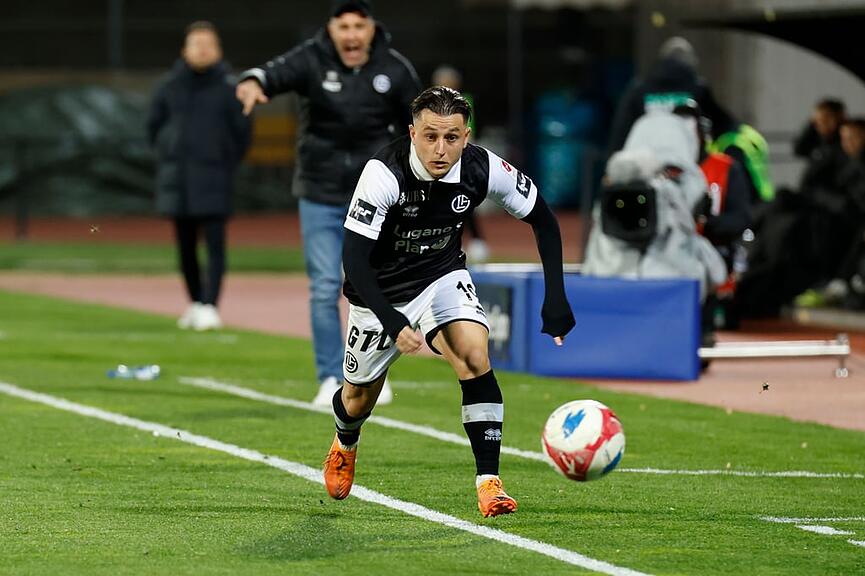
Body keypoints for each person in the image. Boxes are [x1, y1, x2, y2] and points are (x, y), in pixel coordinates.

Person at [322, 87, 575, 517]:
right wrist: (392, 320)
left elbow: (544, 220)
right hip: (379, 291)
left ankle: (489, 482)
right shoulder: (384, 173)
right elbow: (354, 259)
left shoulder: (482, 167)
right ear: (412, 133)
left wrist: (556, 297)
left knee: (475, 355)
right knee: (357, 399)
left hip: (441, 275)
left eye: (452, 137)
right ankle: (345, 442)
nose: (441, 149)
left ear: (467, 136)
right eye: (430, 136)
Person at [235, 0, 422, 405]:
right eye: (344, 27)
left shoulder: (394, 68)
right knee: (324, 287)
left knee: (375, 285)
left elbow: (421, 119)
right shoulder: (311, 59)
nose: (351, 35)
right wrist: (252, 81)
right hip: (320, 191)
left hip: (376, 196)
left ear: (371, 30)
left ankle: (370, 374)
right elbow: (273, 73)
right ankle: (331, 376)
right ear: (331, 31)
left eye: (359, 26)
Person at [147, 21, 251, 331]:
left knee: (216, 245)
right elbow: (153, 128)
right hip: (178, 179)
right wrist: (169, 153)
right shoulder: (169, 86)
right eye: (197, 44)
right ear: (185, 50)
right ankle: (195, 302)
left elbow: (242, 133)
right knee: (185, 247)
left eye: (209, 44)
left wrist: (222, 160)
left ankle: (210, 304)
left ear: (218, 50)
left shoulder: (230, 88)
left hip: (214, 177)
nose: (203, 50)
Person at [431, 64, 489, 263]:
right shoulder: (429, 104)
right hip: (437, 160)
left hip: (462, 159)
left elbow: (471, 130)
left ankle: (477, 240)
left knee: (464, 199)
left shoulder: (466, 102)